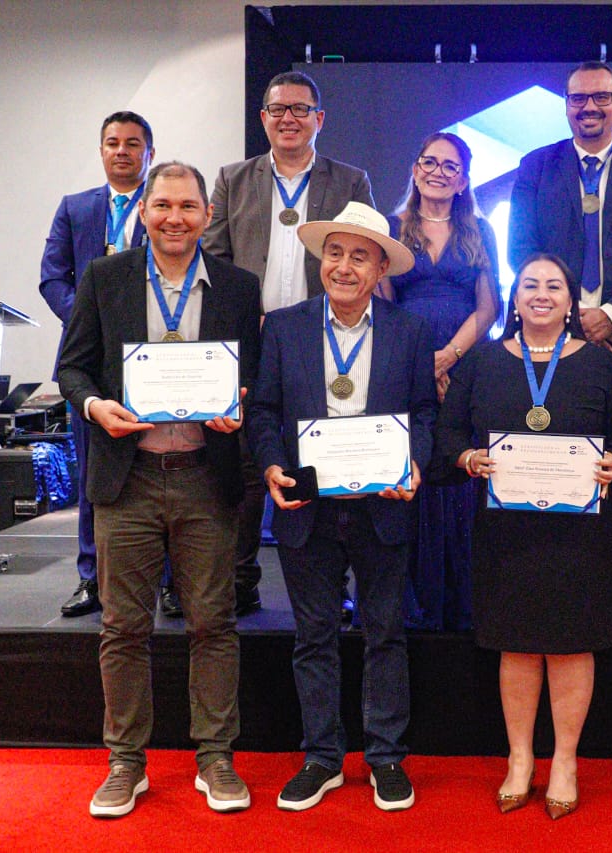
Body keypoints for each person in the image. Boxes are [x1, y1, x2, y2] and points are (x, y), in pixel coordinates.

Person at [57, 162, 261, 818]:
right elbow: (72, 369)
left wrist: (240, 404)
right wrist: (95, 407)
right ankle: (125, 762)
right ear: (143, 211)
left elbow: (254, 375)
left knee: (213, 622)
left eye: (188, 206)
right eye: (163, 205)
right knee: (123, 625)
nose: (176, 218)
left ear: (207, 215)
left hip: (206, 474)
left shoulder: (238, 286)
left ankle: (216, 756)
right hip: (130, 477)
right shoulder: (104, 277)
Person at [430, 252, 612, 819]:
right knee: (518, 644)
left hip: (582, 536)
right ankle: (520, 758)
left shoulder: (600, 364)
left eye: (554, 285)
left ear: (572, 300)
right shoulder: (482, 362)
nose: (542, 294)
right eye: (530, 285)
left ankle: (566, 760)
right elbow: (448, 433)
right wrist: (467, 458)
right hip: (508, 533)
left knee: (572, 644)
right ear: (515, 296)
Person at [248, 201, 435, 813]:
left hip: (383, 503)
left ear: (380, 269)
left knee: (386, 634)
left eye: (359, 257)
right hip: (308, 507)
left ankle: (385, 757)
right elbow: (265, 411)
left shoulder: (410, 331)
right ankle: (322, 758)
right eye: (334, 253)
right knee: (314, 636)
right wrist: (271, 465)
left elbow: (425, 413)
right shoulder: (284, 327)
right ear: (320, 260)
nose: (344, 267)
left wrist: (415, 463)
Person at [508, 60, 612, 629]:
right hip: (549, 341)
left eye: (601, 97)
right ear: (566, 105)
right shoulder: (536, 166)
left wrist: (611, 315)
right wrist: (571, 321)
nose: (589, 108)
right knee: (550, 459)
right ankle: (546, 583)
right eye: (578, 98)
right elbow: (521, 251)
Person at [206, 69, 374, 619]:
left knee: (323, 452)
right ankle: (240, 577)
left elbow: (364, 256)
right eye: (278, 109)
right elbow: (215, 260)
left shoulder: (350, 181)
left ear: (319, 119)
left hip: (321, 339)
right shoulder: (233, 178)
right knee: (246, 462)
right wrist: (242, 320)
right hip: (250, 340)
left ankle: (334, 583)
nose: (289, 119)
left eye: (300, 109)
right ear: (263, 119)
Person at [380, 131, 500, 631]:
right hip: (404, 366)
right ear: (415, 169)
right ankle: (413, 601)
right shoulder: (391, 227)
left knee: (457, 470)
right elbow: (383, 302)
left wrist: (449, 357)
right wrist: (420, 363)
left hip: (465, 367)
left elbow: (489, 307)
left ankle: (459, 600)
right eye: (430, 162)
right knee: (416, 466)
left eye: (451, 166)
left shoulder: (480, 230)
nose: (438, 172)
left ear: (464, 180)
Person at [40, 111, 155, 618]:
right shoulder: (75, 207)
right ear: (102, 150)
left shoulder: (164, 204)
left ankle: (167, 580)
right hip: (89, 363)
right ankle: (92, 576)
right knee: (93, 474)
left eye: (133, 143)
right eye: (113, 142)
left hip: (156, 356)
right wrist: (91, 322)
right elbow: (52, 277)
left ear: (149, 152)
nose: (122, 151)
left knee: (162, 472)